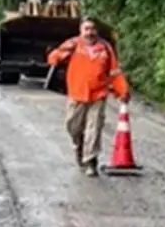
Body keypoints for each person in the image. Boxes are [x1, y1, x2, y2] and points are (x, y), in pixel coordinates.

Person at [46, 17, 130, 177]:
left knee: (94, 128)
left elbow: (114, 72)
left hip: (98, 95)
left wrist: (122, 91)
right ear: (80, 31)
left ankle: (91, 161)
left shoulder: (105, 47)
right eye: (87, 29)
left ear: (96, 31)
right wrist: (58, 54)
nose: (90, 32)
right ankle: (79, 148)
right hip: (76, 94)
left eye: (92, 29)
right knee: (73, 127)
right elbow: (53, 59)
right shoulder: (73, 44)